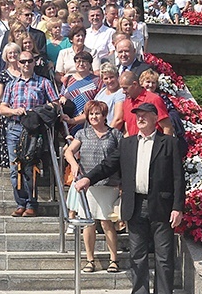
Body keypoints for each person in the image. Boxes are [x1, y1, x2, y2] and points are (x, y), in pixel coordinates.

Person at [75, 102, 185, 294]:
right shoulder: (127, 143)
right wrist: (88, 178)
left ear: (154, 118)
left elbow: (178, 178)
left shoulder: (169, 143)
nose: (140, 118)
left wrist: (178, 207)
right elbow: (107, 165)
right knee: (137, 255)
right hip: (135, 205)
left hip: (162, 206)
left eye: (144, 115)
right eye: (137, 115)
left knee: (164, 257)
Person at [64, 100, 123, 274]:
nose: (94, 117)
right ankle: (90, 259)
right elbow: (68, 151)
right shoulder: (82, 133)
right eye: (91, 114)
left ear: (104, 115)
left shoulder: (115, 135)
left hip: (109, 184)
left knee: (106, 223)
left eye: (97, 113)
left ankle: (114, 259)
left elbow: (122, 159)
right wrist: (74, 165)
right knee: (88, 224)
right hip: (87, 185)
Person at [0, 50, 59, 217]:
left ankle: (32, 203)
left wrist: (38, 111)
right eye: (23, 61)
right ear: (18, 63)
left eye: (29, 61)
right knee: (14, 169)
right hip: (14, 128)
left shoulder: (44, 82)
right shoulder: (11, 84)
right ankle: (20, 202)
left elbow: (55, 104)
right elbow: (2, 108)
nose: (26, 64)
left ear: (34, 63)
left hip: (33, 130)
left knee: (30, 168)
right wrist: (13, 111)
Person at [119, 71, 173, 137]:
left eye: (125, 88)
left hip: (153, 144)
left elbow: (167, 127)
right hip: (133, 144)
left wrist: (166, 146)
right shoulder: (127, 102)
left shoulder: (153, 99)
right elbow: (127, 129)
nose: (123, 92)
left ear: (135, 84)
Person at [0, 42, 22, 168]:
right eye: (10, 53)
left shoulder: (25, 71)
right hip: (7, 112)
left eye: (15, 52)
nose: (13, 55)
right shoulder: (3, 74)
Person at [59, 51, 102, 133]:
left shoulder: (98, 81)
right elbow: (61, 95)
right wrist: (62, 97)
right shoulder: (68, 79)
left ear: (90, 64)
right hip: (66, 123)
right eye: (78, 61)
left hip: (87, 124)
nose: (81, 64)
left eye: (84, 61)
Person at [94, 62, 125, 131]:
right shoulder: (101, 92)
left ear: (117, 76)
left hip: (112, 134)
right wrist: (72, 120)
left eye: (112, 77)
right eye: (106, 78)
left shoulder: (121, 93)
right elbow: (91, 110)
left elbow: (118, 120)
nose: (109, 81)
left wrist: (106, 135)